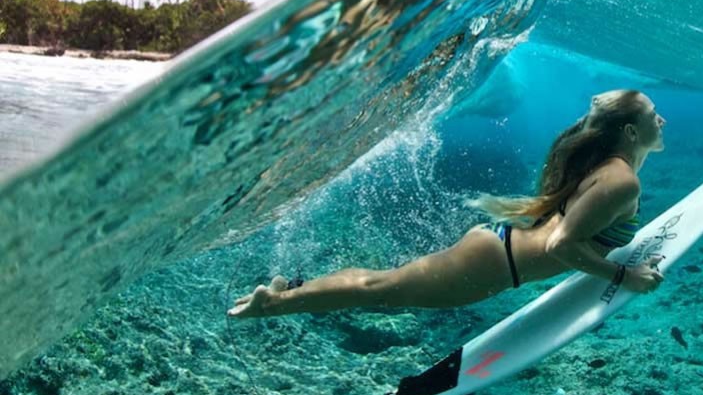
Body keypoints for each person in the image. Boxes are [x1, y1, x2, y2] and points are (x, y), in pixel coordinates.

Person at [228, 89, 668, 318]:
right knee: (380, 290)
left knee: (383, 284)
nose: (662, 120)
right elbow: (561, 246)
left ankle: (289, 292)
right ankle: (274, 305)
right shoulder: (622, 181)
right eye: (653, 116)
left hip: (499, 248)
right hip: (495, 265)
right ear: (630, 133)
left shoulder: (610, 166)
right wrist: (624, 276)